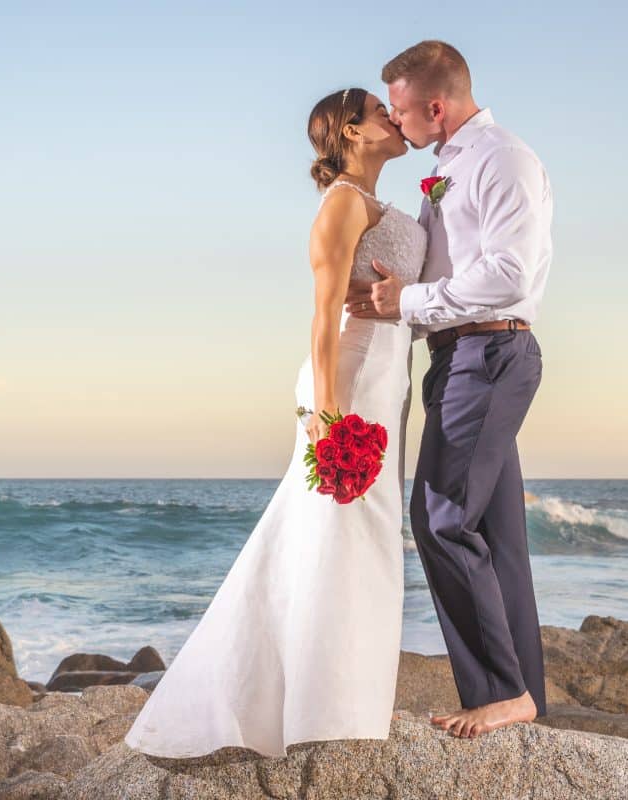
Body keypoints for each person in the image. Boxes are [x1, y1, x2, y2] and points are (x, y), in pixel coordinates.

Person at [123, 87, 426, 758]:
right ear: (350, 131)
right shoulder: (343, 203)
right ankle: (310, 703)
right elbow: (322, 315)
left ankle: (342, 695)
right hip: (348, 381)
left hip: (387, 380)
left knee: (361, 536)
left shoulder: (380, 204)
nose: (394, 118)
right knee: (334, 531)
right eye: (380, 111)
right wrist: (327, 417)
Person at [347, 40, 553, 739]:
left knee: (439, 517)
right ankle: (524, 700)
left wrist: (405, 302)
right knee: (496, 535)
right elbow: (435, 279)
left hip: (490, 351)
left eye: (400, 110)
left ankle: (499, 690)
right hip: (462, 355)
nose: (396, 122)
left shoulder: (502, 160)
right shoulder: (447, 168)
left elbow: (507, 276)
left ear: (436, 106)